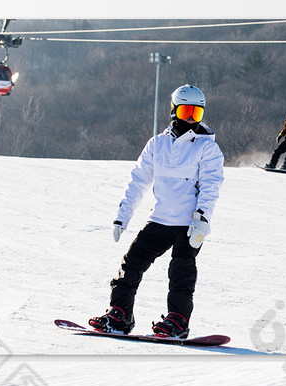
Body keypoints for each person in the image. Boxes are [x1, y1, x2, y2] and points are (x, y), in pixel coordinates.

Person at [89, 85, 224, 340]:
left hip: (189, 224)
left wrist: (202, 218)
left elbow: (210, 186)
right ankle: (119, 315)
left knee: (181, 273)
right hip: (160, 219)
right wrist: (123, 215)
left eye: (196, 114)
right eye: (185, 112)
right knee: (131, 264)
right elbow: (138, 181)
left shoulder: (207, 148)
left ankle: (178, 321)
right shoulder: (158, 144)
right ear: (173, 111)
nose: (189, 120)